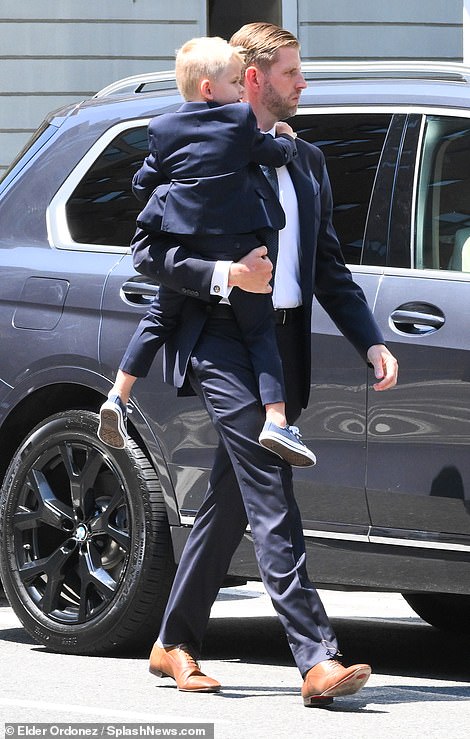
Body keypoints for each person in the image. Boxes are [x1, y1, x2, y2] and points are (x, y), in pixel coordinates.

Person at [133, 23, 399, 707]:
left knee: (230, 501)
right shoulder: (201, 153)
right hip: (219, 335)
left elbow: (328, 266)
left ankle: (173, 641)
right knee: (270, 488)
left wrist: (369, 338)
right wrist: (224, 273)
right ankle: (316, 657)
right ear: (252, 79)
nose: (302, 83)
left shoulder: (305, 161)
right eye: (290, 72)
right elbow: (148, 252)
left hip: (283, 345)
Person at [98, 36, 315, 467]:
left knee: (158, 318)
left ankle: (118, 396)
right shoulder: (238, 122)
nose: (241, 92)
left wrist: (172, 189)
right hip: (237, 245)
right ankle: (276, 419)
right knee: (260, 333)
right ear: (209, 90)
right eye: (235, 82)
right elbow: (271, 153)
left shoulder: (161, 129)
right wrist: (289, 140)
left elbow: (144, 180)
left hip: (184, 245)